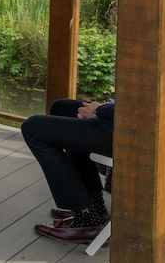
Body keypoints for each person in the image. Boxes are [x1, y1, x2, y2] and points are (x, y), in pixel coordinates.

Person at [23, 98, 113, 243]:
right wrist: (108, 105)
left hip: (127, 133)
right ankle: (95, 206)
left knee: (32, 128)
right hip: (118, 120)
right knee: (61, 108)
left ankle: (87, 219)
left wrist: (99, 110)